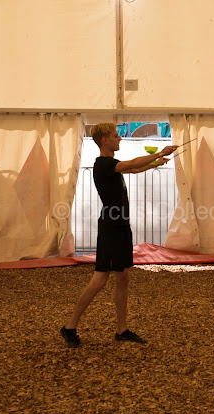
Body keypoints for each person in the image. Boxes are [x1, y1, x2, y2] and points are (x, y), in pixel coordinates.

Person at [60, 122, 178, 348]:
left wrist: (155, 162)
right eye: (116, 136)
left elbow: (133, 168)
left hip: (121, 226)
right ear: (105, 140)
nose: (120, 139)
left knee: (122, 277)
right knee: (100, 279)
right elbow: (132, 163)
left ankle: (122, 330)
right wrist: (160, 152)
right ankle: (69, 326)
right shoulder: (103, 163)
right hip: (111, 228)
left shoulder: (112, 165)